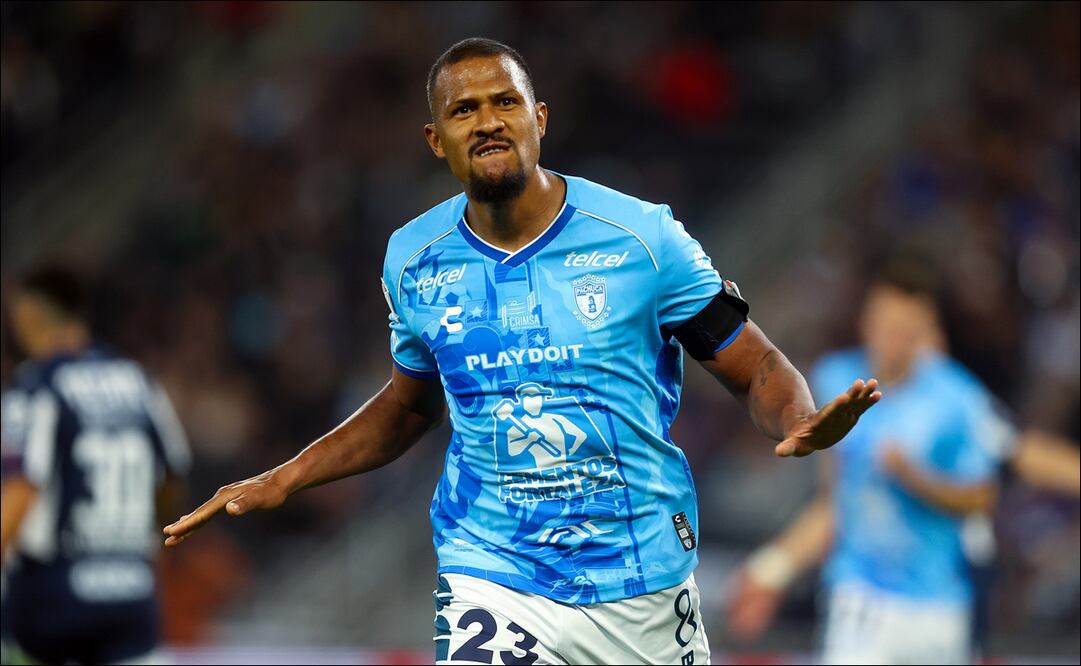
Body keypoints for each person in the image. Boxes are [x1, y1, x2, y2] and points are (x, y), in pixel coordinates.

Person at [163, 38, 880, 665]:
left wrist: (797, 420)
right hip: (493, 568)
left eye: (503, 102)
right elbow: (410, 406)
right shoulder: (413, 259)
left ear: (538, 119)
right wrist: (286, 477)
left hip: (638, 576)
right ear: (435, 138)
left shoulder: (641, 239)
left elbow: (753, 364)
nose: (486, 121)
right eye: (463, 109)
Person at [725, 259, 1078, 664]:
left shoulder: (957, 398)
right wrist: (773, 568)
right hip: (862, 598)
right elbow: (838, 503)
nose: (894, 337)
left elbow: (1012, 461)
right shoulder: (836, 381)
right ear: (867, 320)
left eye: (907, 327)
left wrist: (915, 478)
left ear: (924, 331)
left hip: (940, 604)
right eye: (886, 323)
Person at [0, 266, 191, 665]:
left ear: (29, 314)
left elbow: (20, 491)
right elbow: (173, 473)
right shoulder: (138, 381)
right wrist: (148, 541)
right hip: (132, 596)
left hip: (50, 602)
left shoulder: (36, 386)